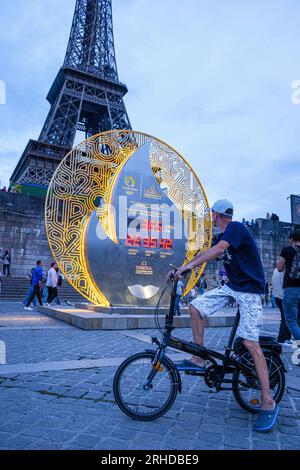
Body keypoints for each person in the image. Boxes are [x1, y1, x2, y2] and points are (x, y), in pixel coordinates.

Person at [174, 199, 280, 432]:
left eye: (212, 213)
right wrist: (181, 269)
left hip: (250, 290)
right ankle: (199, 357)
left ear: (216, 214)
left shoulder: (236, 228)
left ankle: (267, 401)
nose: (211, 216)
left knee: (250, 342)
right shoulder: (222, 236)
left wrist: (188, 266)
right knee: (196, 307)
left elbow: (219, 250)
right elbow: (205, 252)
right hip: (233, 287)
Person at [277, 230, 300, 341]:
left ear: (291, 239)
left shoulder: (287, 250)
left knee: (291, 321)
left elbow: (280, 268)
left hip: (291, 288)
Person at [271, 268, 292, 345]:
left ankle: (287, 338)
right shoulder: (284, 271)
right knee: (286, 318)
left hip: (277, 296)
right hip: (283, 296)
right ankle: (282, 339)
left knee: (286, 317)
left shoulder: (275, 270)